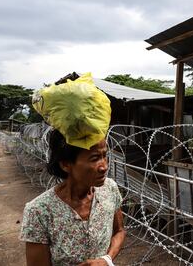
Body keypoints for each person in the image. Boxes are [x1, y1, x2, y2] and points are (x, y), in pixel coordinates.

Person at [20, 73, 126, 266]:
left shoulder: (110, 190)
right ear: (66, 164)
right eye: (95, 158)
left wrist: (107, 259)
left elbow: (119, 231)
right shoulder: (40, 211)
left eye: (105, 156)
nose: (104, 166)